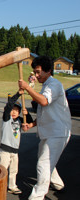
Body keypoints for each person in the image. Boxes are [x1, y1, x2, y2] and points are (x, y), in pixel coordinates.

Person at [18, 56, 71, 200]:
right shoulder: (46, 86)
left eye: (38, 72)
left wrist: (28, 87)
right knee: (45, 160)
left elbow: (44, 101)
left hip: (58, 132)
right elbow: (44, 112)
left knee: (44, 163)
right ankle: (58, 184)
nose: (36, 75)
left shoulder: (54, 85)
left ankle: (37, 197)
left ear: (48, 71)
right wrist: (31, 124)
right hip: (49, 132)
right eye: (35, 72)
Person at [0, 90, 33, 195]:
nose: (13, 112)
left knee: (14, 171)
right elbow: (9, 105)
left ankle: (12, 186)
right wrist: (18, 94)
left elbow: (29, 121)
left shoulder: (19, 121)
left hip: (15, 151)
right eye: (12, 110)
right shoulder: (6, 119)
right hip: (5, 150)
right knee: (3, 170)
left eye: (16, 110)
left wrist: (27, 112)